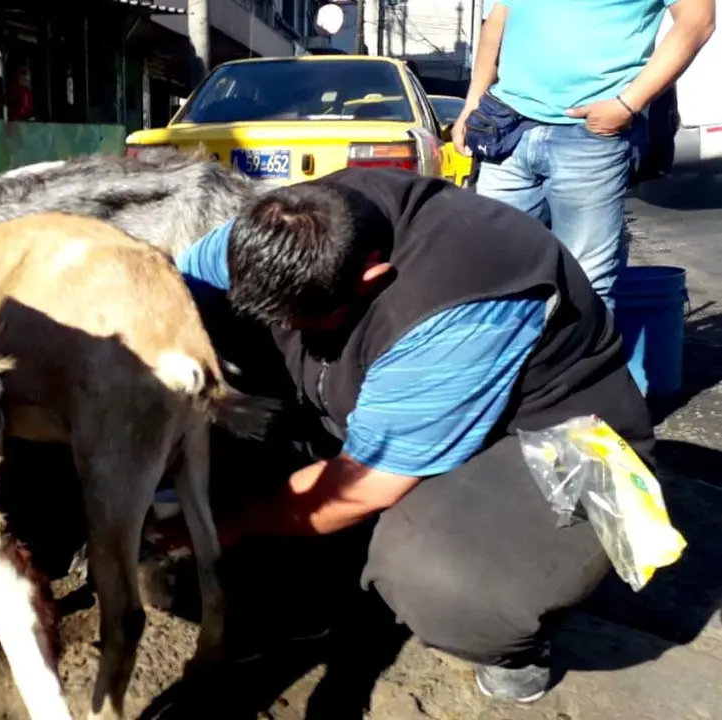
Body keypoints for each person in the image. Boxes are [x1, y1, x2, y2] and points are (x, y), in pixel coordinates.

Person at [165, 169, 654, 704]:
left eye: (304, 319)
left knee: (440, 582)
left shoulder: (458, 302)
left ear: (371, 278)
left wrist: (221, 527)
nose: (290, 328)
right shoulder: (288, 223)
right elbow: (175, 295)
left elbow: (360, 486)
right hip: (386, 404)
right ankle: (316, 588)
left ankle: (509, 643)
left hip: (560, 439)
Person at [452, 0, 715, 309]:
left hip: (590, 137)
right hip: (507, 128)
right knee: (494, 274)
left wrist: (627, 105)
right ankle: (519, 357)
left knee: (582, 284)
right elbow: (498, 19)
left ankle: (577, 358)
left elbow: (698, 20)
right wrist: (473, 104)